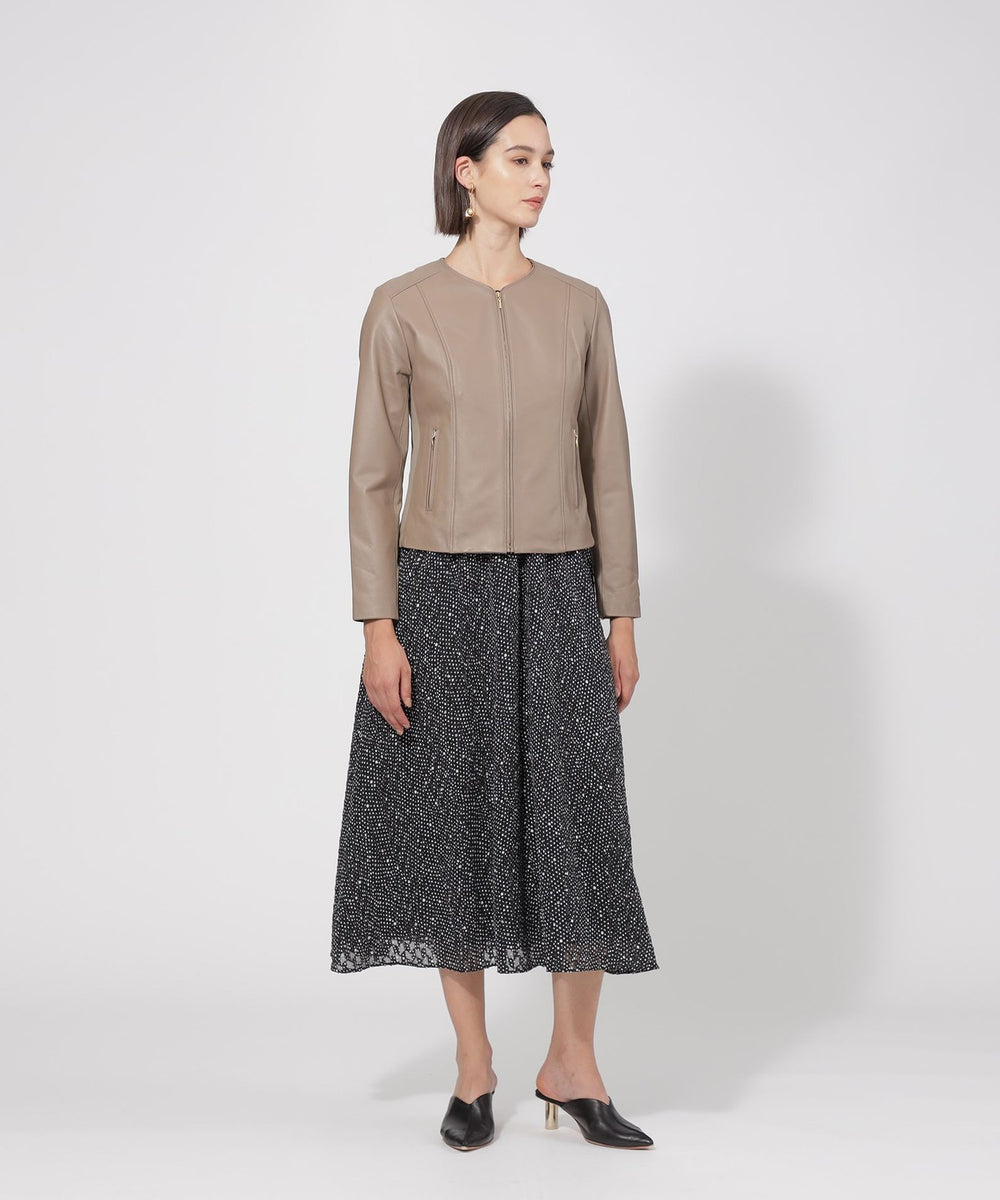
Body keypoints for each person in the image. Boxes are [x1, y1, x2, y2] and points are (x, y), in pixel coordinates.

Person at [329, 91, 658, 1152]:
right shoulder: (402, 307)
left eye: (549, 162)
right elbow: (371, 478)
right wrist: (378, 626)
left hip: (560, 588)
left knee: (578, 820)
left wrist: (619, 613)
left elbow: (608, 467)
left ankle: (574, 1063)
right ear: (464, 172)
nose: (541, 178)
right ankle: (474, 1066)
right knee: (453, 825)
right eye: (520, 159)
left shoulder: (580, 307)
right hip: (440, 591)